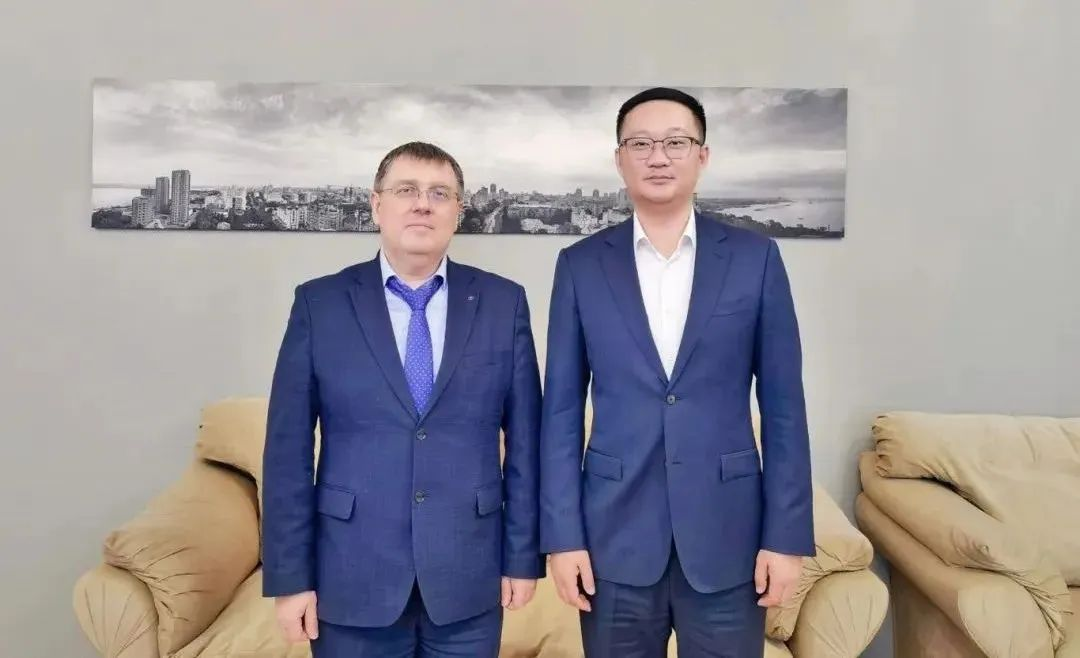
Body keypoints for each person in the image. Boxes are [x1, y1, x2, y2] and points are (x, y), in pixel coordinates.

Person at [539, 87, 815, 656]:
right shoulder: (580, 265)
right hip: (612, 542)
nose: (658, 157)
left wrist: (786, 539)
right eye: (640, 144)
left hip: (728, 539)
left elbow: (785, 409)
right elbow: (560, 412)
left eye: (675, 143)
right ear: (620, 159)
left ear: (702, 156)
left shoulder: (755, 259)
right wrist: (562, 538)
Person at [262, 141, 543, 658]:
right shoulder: (320, 304)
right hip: (350, 575)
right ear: (376, 205)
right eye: (406, 190)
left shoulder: (504, 302)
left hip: (468, 576)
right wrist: (290, 578)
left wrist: (522, 557)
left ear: (459, 211)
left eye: (440, 193)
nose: (422, 205)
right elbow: (287, 453)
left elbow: (527, 444)